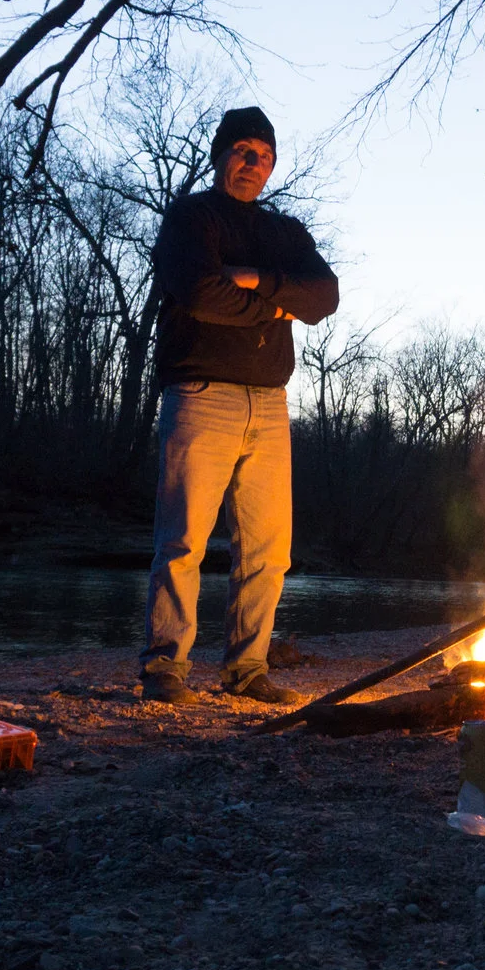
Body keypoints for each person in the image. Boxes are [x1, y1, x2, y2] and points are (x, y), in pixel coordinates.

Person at [140, 106, 340, 705]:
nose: (254, 163)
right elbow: (200, 293)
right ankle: (164, 669)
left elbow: (325, 295)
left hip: (270, 404)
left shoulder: (285, 232)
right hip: (201, 394)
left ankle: (247, 669)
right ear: (220, 154)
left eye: (265, 155)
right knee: (183, 542)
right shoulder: (191, 218)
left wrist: (251, 278)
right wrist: (278, 304)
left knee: (268, 549)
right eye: (243, 150)